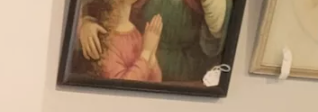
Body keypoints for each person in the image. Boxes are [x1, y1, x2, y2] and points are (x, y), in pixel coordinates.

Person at [79, 0, 228, 84]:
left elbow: (222, 31)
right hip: (135, 68)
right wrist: (86, 23)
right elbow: (104, 7)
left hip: (190, 77)